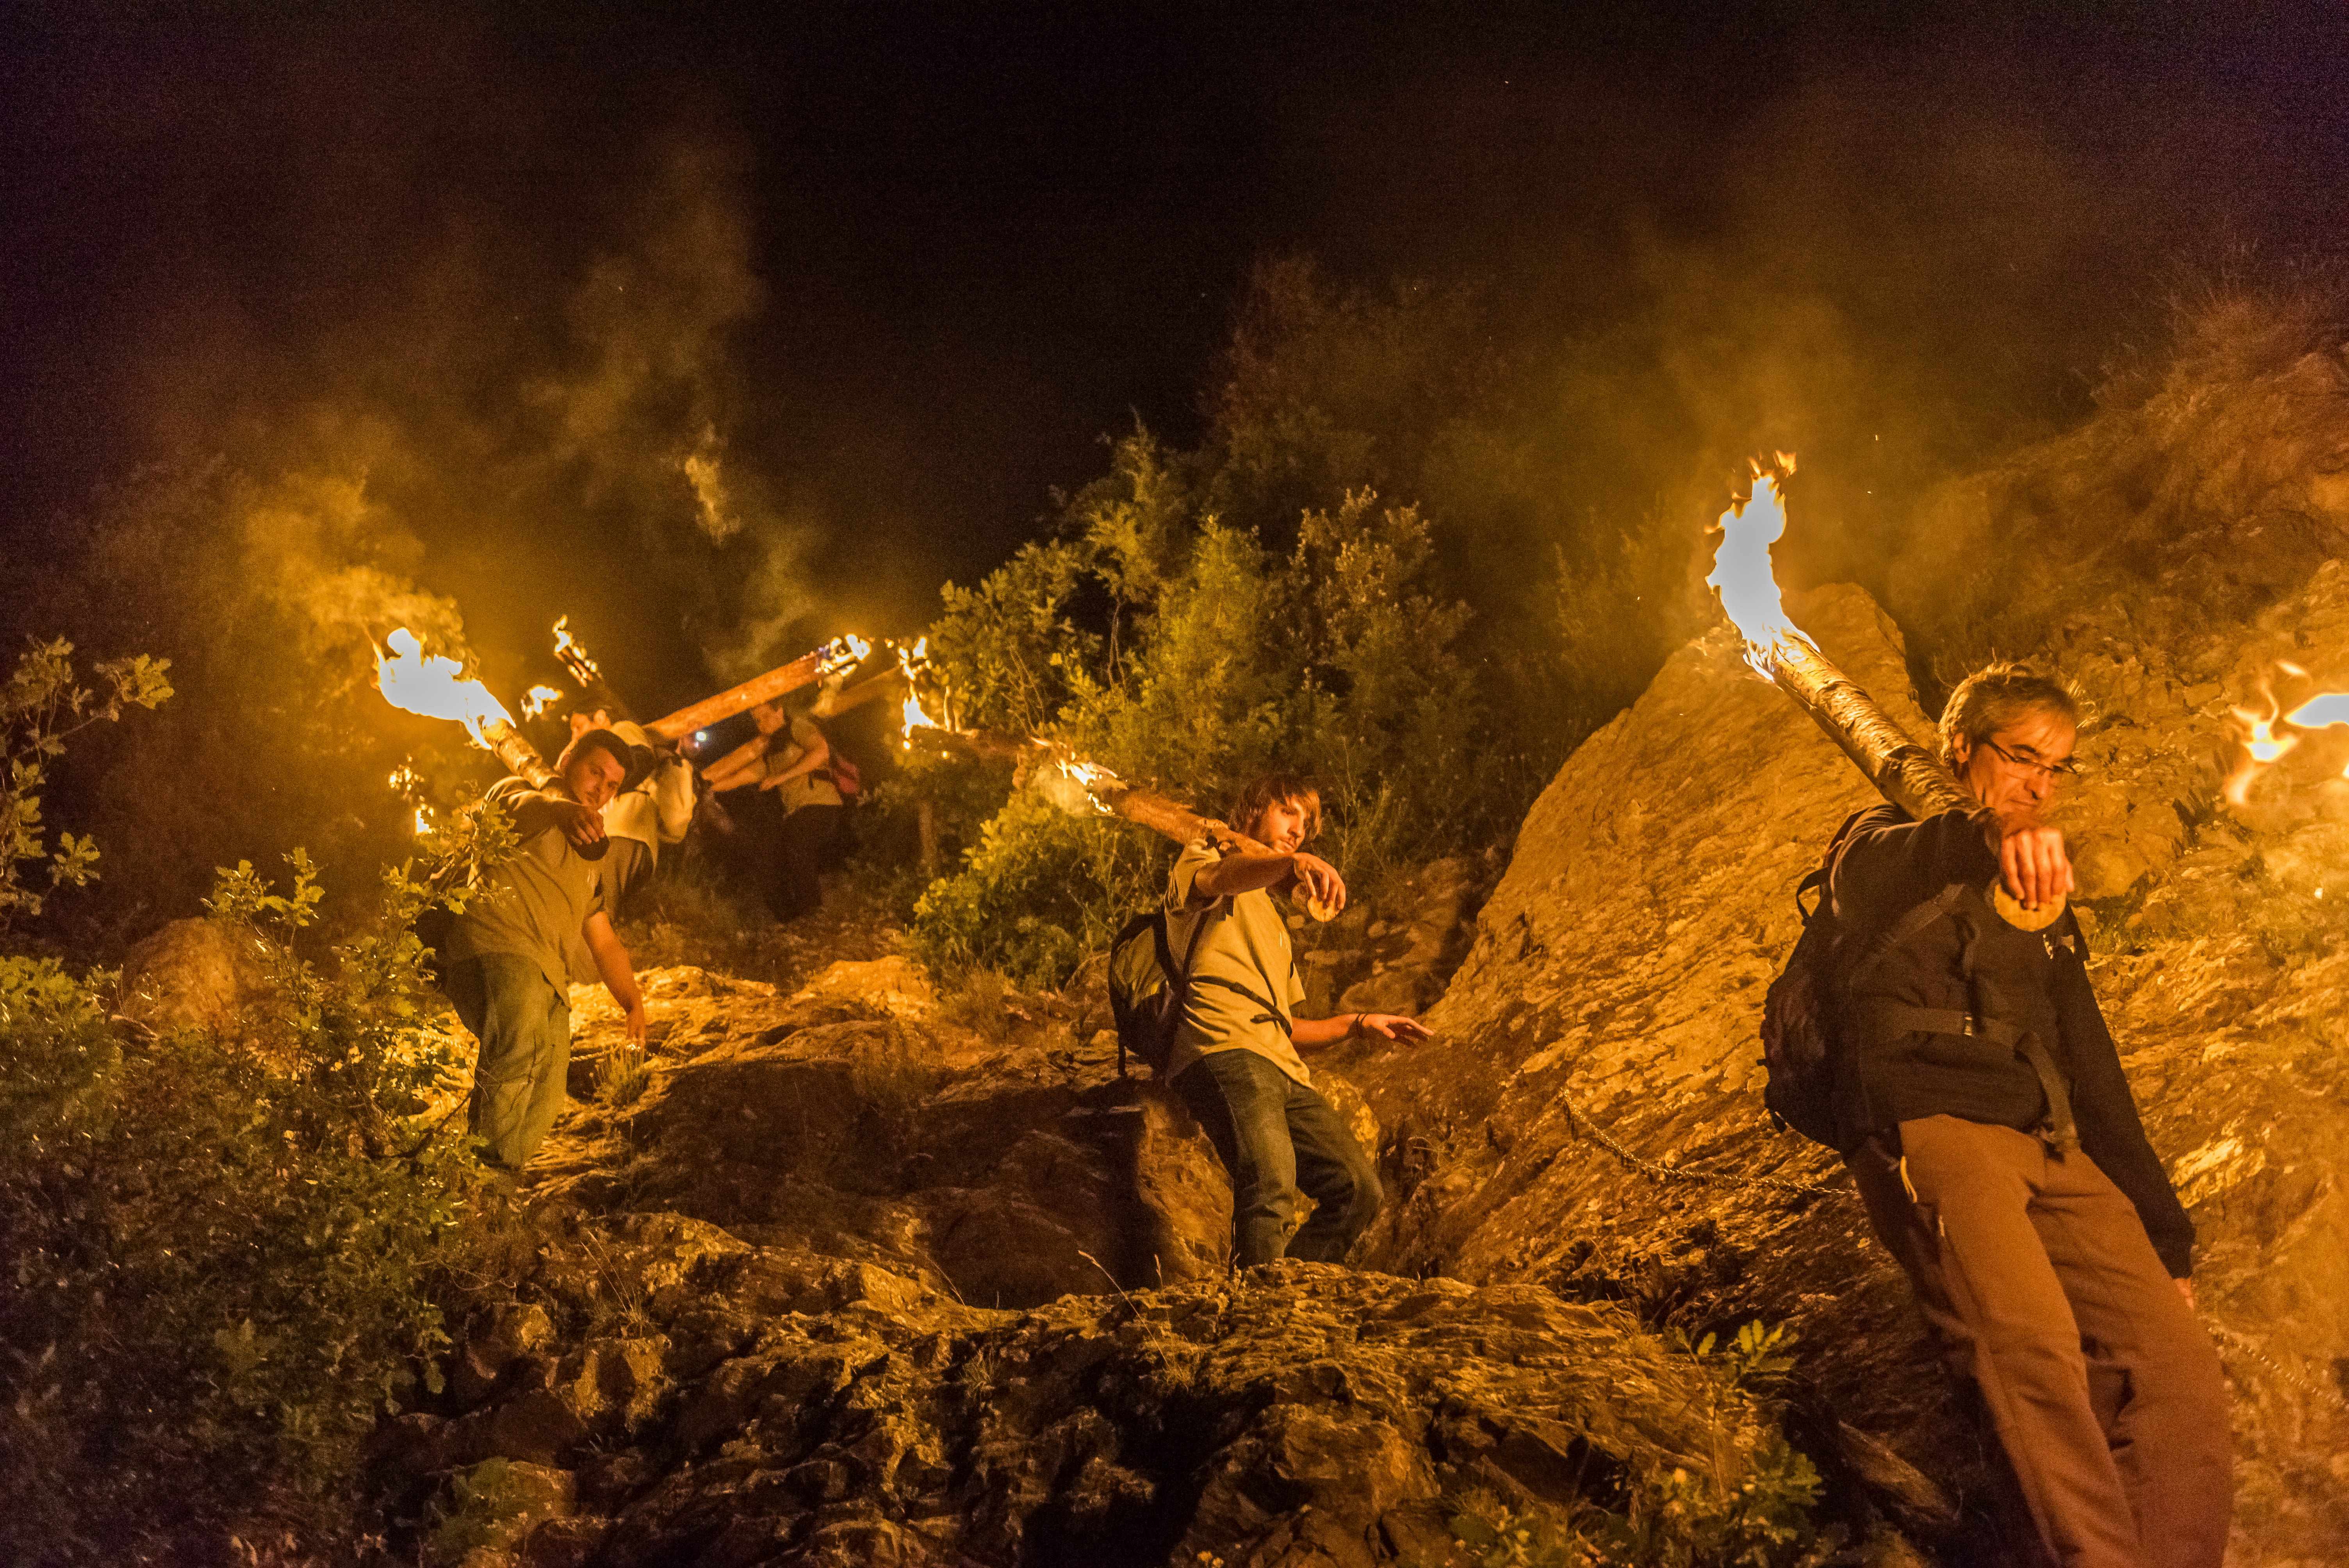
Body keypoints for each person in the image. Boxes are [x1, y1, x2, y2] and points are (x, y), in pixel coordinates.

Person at [1827, 661, 2230, 1568]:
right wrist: (1982, 832)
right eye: (2022, 757)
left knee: (2174, 1368)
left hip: (2047, 1141)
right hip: (1930, 1124)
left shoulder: (2043, 892)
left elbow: (2090, 1061)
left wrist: (2165, 1236)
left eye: (2056, 768)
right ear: (1960, 750)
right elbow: (1866, 876)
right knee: (2031, 1354)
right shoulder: (1886, 838)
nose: (2040, 784)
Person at [1167, 770, 1432, 1267]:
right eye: (1288, 812)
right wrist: (1288, 864)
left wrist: (1359, 1022)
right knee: (1270, 1180)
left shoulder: (1272, 919)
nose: (1298, 829)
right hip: (1223, 1046)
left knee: (1357, 1188)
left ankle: (1285, 1299)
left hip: (1281, 1064)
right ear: (1252, 811)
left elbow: (1285, 1025)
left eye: (1306, 824)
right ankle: (1256, 1324)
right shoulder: (1207, 858)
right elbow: (1220, 879)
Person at [442, 729, 649, 1172]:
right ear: (568, 757)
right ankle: (480, 1176)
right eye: (596, 772)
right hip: (497, 946)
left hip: (550, 978)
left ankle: (501, 1182)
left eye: (613, 784)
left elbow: (603, 937)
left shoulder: (588, 850)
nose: (602, 788)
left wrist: (632, 1001)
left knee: (548, 1092)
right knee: (517, 1055)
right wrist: (561, 807)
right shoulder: (519, 792)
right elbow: (524, 809)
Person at [708, 699, 844, 922]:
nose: (761, 724)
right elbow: (744, 777)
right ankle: (789, 919)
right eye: (757, 720)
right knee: (766, 855)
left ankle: (814, 913)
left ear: (779, 711)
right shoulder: (771, 754)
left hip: (822, 804)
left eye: (764, 716)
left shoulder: (798, 727)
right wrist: (706, 787)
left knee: (797, 846)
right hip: (796, 813)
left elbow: (821, 752)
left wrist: (781, 777)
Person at [565, 708, 695, 918]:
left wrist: (604, 792)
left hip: (622, 831)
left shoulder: (623, 729)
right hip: (637, 841)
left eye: (578, 727)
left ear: (599, 717)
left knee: (594, 912)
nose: (575, 735)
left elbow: (640, 759)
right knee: (596, 908)